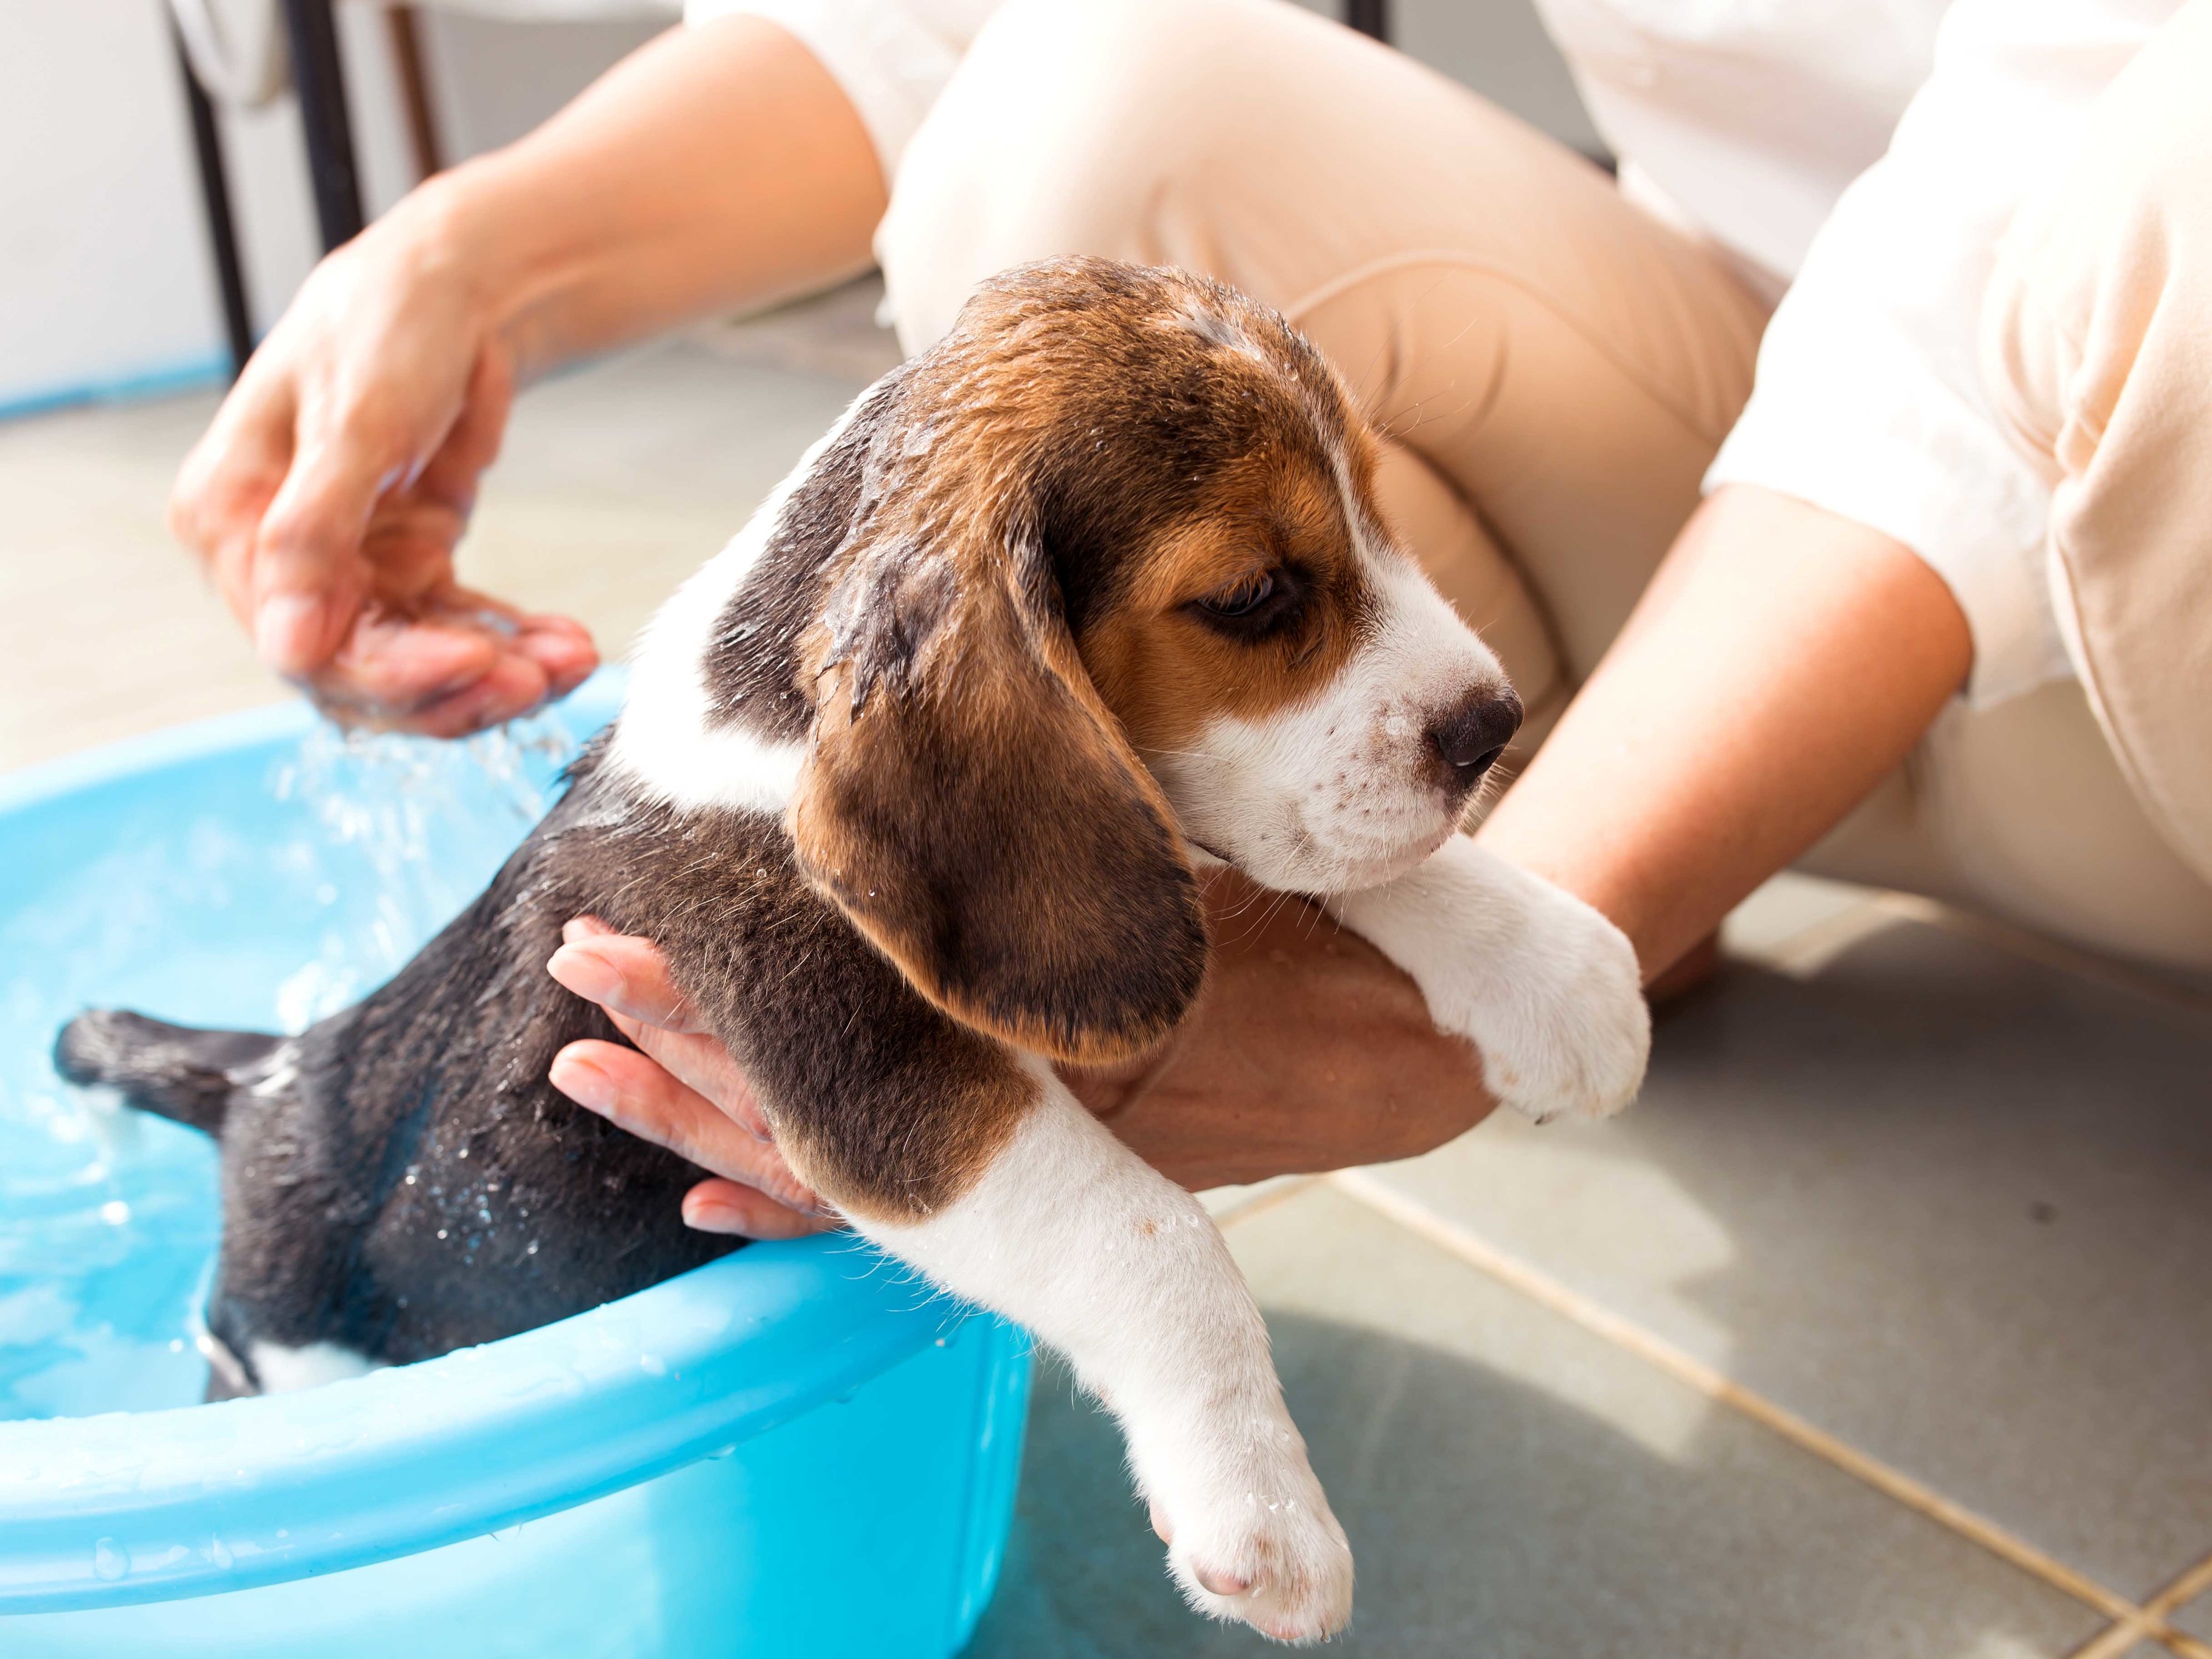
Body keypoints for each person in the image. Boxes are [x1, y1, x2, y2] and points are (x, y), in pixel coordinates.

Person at [170, 0, 2212, 1238]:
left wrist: (1504, 972)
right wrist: (471, 268)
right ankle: (1608, 877)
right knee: (1095, 129)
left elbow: (2000, 286)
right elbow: (947, 33)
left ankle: (1584, 891)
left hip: (2163, 637)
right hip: (1712, 471)